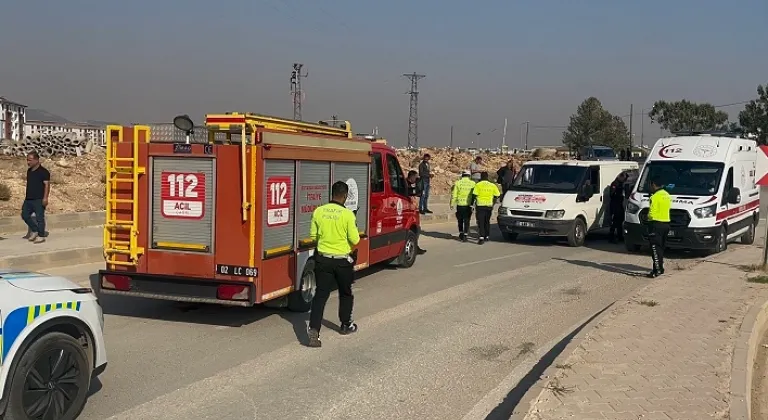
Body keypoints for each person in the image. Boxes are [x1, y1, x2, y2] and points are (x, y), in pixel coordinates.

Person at [307, 181, 360, 348]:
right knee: (345, 293)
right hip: (342, 261)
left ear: (332, 194)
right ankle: (346, 325)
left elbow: (313, 236)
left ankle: (314, 330)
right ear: (344, 196)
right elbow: (355, 240)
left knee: (320, 296)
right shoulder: (347, 215)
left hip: (323, 260)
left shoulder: (318, 211)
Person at [21, 151, 51, 244]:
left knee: (39, 218)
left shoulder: (44, 172)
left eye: (30, 160)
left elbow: (47, 185)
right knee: (24, 215)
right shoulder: (29, 171)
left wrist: (45, 198)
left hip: (39, 199)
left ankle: (41, 236)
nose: (28, 162)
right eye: (27, 160)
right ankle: (34, 230)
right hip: (29, 198)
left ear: (37, 160)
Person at [646, 176, 671, 278]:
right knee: (661, 248)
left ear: (654, 185)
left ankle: (657, 270)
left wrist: (648, 218)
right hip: (666, 224)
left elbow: (651, 212)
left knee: (655, 249)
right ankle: (660, 268)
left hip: (655, 224)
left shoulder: (654, 197)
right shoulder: (667, 195)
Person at [471, 172, 500, 245]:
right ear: (487, 177)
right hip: (489, 206)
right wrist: (493, 202)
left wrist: (471, 205)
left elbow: (474, 195)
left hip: (480, 206)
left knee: (481, 222)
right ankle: (487, 236)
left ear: (481, 177)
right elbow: (497, 195)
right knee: (487, 221)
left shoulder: (478, 185)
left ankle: (481, 237)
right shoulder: (492, 185)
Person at [450, 170, 476, 242]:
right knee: (467, 220)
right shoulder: (473, 183)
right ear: (469, 176)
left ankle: (461, 233)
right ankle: (465, 235)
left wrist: (452, 204)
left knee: (460, 220)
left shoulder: (458, 183)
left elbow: (454, 194)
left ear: (462, 175)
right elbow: (474, 195)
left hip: (460, 204)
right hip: (468, 205)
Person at [405, 170, 427, 254]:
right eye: (415, 177)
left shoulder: (413, 184)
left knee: (416, 229)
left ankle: (415, 246)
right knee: (413, 229)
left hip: (414, 209)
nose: (416, 179)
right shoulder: (405, 184)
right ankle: (414, 247)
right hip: (408, 210)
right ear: (412, 176)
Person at [608, 171, 628, 243]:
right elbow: (612, 194)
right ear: (620, 177)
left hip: (619, 205)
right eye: (624, 179)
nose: (624, 180)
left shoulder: (621, 184)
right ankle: (611, 237)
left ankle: (620, 236)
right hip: (615, 205)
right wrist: (619, 193)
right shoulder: (615, 184)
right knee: (614, 222)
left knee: (620, 221)